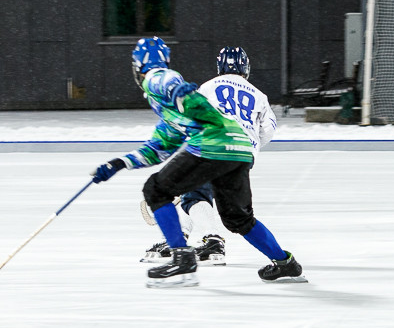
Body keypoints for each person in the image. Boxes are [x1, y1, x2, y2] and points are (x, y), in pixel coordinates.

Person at [91, 37, 304, 286]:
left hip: (212, 143)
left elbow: (166, 79)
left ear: (137, 66)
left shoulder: (156, 79)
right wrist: (120, 163)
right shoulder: (255, 94)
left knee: (156, 190)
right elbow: (160, 146)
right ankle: (284, 262)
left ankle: (183, 257)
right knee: (238, 219)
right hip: (242, 148)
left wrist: (178, 91)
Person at [140, 47, 278, 267]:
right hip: (242, 154)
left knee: (194, 196)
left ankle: (210, 240)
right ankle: (180, 240)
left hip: (212, 147)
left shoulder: (208, 86)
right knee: (223, 208)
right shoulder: (258, 94)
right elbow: (268, 130)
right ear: (246, 67)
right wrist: (247, 145)